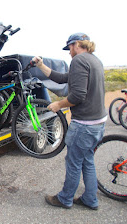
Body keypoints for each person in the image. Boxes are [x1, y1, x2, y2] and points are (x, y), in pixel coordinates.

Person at [32, 33, 107, 210]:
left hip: (84, 125)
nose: (69, 52)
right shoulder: (94, 60)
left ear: (76, 44)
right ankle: (90, 199)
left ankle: (64, 199)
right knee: (87, 160)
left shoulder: (79, 60)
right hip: (98, 122)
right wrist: (41, 65)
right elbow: (61, 78)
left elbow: (78, 96)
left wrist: (59, 104)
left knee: (73, 162)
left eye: (69, 48)